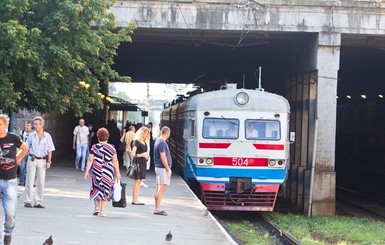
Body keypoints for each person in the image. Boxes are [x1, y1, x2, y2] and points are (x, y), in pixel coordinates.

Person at [0, 114, 29, 245]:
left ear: (6, 125)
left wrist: (18, 158)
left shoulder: (13, 138)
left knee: (10, 214)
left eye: (0, 124)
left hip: (10, 181)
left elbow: (25, 148)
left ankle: (7, 234)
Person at [84, 128, 121, 217]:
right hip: (108, 171)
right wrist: (118, 172)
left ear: (98, 137)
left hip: (97, 169)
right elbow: (115, 161)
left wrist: (87, 171)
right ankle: (102, 211)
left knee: (96, 188)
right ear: (107, 137)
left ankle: (96, 207)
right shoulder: (112, 148)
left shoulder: (94, 147)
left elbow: (90, 160)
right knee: (106, 189)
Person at [24, 116, 55, 209]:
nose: (35, 126)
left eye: (36, 124)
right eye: (34, 124)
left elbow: (50, 150)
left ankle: (38, 201)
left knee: (40, 181)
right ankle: (28, 201)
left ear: (41, 125)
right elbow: (25, 147)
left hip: (42, 160)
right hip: (32, 159)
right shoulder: (31, 135)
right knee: (29, 180)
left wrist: (49, 161)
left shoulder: (47, 136)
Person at [153, 126, 172, 216]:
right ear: (168, 133)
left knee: (158, 188)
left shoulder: (158, 140)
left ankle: (157, 208)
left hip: (159, 168)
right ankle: (157, 209)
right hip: (162, 168)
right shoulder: (162, 143)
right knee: (161, 188)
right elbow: (163, 156)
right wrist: (168, 169)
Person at [130, 126, 150, 205]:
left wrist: (146, 156)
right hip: (138, 162)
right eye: (145, 134)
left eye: (147, 134)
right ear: (141, 133)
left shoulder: (144, 142)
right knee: (137, 181)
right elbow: (132, 154)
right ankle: (135, 199)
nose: (146, 135)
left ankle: (136, 198)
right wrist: (141, 154)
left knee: (140, 180)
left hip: (143, 162)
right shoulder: (136, 142)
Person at [18, 120, 33, 186]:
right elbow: (20, 141)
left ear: (31, 126)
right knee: (22, 167)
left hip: (30, 152)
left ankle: (27, 182)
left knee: (29, 167)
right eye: (26, 125)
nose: (27, 127)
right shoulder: (22, 132)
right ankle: (21, 181)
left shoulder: (32, 133)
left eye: (29, 125)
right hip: (23, 151)